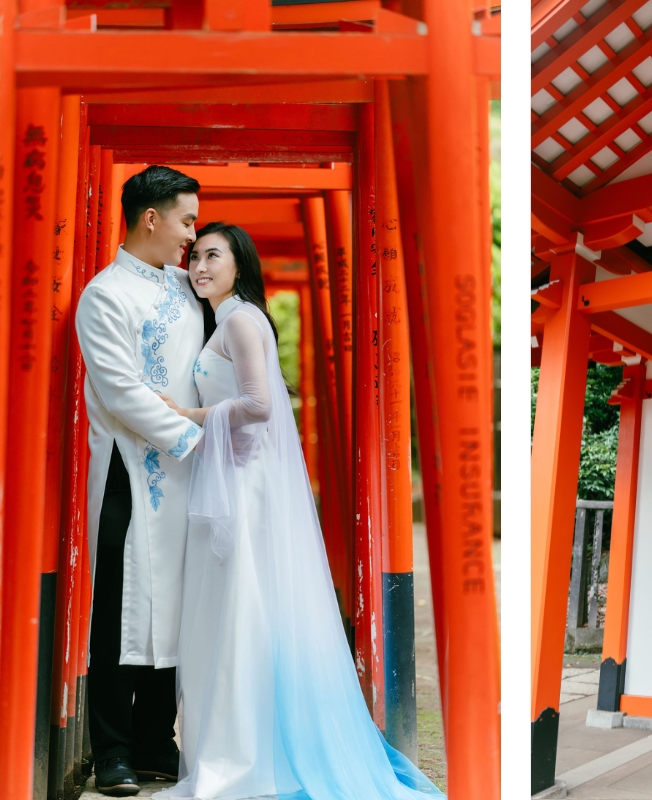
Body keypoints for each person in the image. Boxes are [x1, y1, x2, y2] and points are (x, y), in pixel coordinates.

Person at [152, 223, 443, 800]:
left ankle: (243, 757)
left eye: (214, 255)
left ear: (240, 265)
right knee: (244, 614)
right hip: (237, 481)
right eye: (195, 255)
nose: (200, 265)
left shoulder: (237, 319)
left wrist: (185, 413)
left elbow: (260, 406)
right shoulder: (240, 318)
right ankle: (248, 746)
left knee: (238, 615)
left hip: (242, 488)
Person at [74, 165, 205, 796]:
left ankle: (158, 739)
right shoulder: (103, 295)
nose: (192, 234)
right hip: (132, 474)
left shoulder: (188, 286)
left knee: (177, 608)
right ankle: (113, 749)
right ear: (150, 218)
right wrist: (196, 439)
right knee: (121, 611)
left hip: (193, 477)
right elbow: (121, 390)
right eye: (186, 220)